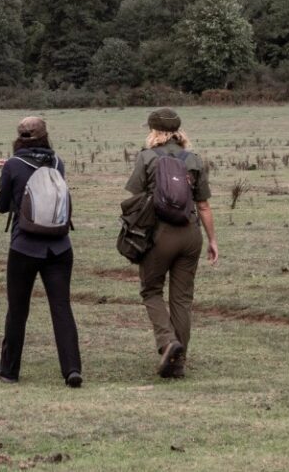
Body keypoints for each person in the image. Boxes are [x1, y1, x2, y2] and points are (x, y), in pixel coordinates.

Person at [125, 108, 218, 379]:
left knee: (151, 290)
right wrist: (212, 240)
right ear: (178, 131)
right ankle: (179, 361)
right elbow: (203, 205)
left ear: (154, 132)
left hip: (160, 235)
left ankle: (168, 343)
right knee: (182, 299)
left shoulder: (147, 158)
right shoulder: (195, 159)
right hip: (191, 235)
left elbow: (137, 197)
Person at [0, 116, 83, 387]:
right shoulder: (58, 163)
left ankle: (9, 369)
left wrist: (6, 173)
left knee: (18, 310)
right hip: (60, 247)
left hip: (24, 247)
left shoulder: (13, 165)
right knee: (61, 307)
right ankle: (72, 369)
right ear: (45, 135)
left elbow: (1, 205)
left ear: (19, 137)